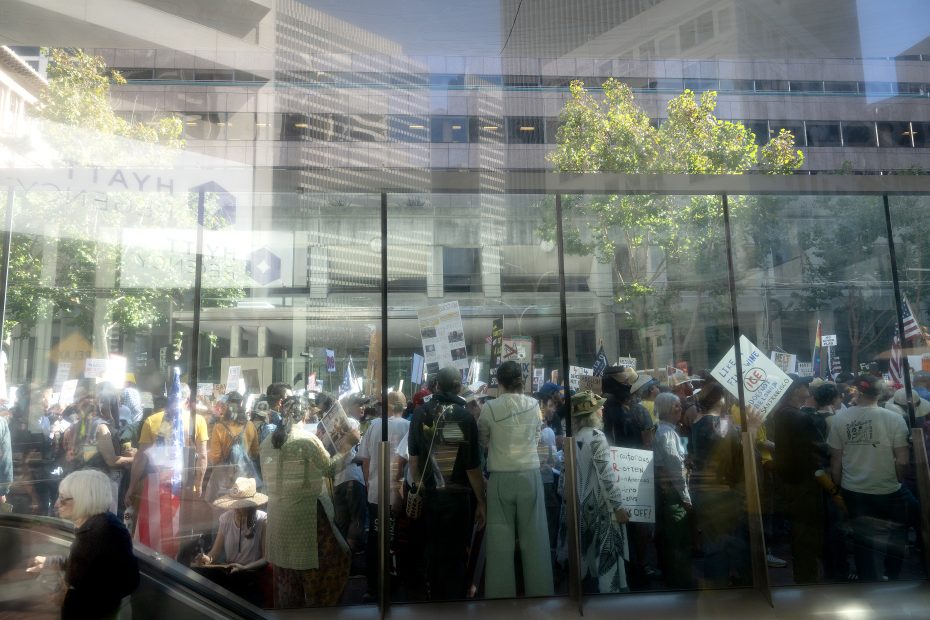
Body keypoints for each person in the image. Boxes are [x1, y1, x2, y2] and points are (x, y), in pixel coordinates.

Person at [260, 391, 358, 608]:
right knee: (330, 564)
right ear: (305, 416)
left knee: (287, 577)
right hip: (307, 517)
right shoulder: (306, 439)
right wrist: (347, 444)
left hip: (277, 517)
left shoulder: (267, 441)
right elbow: (331, 468)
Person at [408, 366, 486, 600]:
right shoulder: (464, 416)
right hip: (457, 497)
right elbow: (472, 468)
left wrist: (420, 488)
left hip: (430, 495)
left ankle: (435, 598)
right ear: (459, 387)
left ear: (437, 386)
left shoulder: (420, 413)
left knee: (432, 550)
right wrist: (481, 502)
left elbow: (414, 460)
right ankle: (453, 603)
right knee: (454, 554)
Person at [477, 360, 553, 598]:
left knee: (500, 540)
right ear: (521, 380)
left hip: (500, 476)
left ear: (498, 381)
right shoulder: (533, 405)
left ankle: (500, 597)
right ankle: (540, 592)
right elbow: (538, 436)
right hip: (530, 475)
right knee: (536, 535)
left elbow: (482, 438)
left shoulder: (489, 408)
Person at [828, 374, 911, 581]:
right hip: (889, 489)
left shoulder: (840, 418)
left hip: (854, 490)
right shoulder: (895, 418)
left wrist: (838, 486)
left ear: (857, 392)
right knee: (896, 534)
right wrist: (897, 480)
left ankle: (868, 582)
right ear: (879, 393)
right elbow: (902, 460)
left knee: (864, 540)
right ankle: (892, 575)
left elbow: (836, 460)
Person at [29, 469, 139, 619]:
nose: (56, 504)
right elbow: (86, 565)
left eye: (62, 499)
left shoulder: (95, 534)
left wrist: (60, 594)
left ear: (83, 499)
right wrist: (52, 562)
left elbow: (79, 586)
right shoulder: (103, 525)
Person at [125, 369, 209, 559]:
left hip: (156, 484)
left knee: (153, 536)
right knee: (181, 533)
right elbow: (202, 457)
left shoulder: (152, 420)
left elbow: (141, 457)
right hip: (184, 485)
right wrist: (199, 484)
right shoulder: (199, 421)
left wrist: (131, 486)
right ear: (187, 401)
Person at [570, 390, 630, 593]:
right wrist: (618, 506)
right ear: (591, 414)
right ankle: (609, 601)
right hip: (601, 506)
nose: (602, 410)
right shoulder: (596, 437)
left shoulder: (574, 437)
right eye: (599, 408)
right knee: (606, 558)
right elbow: (607, 476)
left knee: (586, 555)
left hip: (580, 504)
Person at [769, 374, 823, 583]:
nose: (807, 388)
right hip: (804, 483)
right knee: (806, 534)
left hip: (791, 481)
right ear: (793, 391)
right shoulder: (798, 417)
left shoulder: (783, 413)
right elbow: (817, 450)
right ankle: (806, 578)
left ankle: (804, 575)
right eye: (803, 385)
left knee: (801, 533)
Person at [358, 390, 410, 601]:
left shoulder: (373, 426)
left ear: (386, 407)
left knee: (375, 539)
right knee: (395, 539)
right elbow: (405, 461)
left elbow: (365, 459)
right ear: (403, 407)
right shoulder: (408, 426)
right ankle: (394, 585)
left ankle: (373, 586)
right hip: (397, 493)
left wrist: (369, 482)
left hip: (375, 493)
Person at [193, 477, 268, 606]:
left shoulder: (262, 520)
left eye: (241, 506)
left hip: (252, 579)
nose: (236, 509)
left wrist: (245, 568)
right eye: (235, 505)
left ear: (250, 506)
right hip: (230, 577)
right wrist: (206, 558)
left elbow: (266, 558)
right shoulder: (226, 519)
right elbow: (214, 553)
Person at [652, 392, 693, 588]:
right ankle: (679, 580)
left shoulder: (665, 430)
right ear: (667, 408)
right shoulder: (667, 433)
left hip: (669, 493)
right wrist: (686, 497)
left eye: (679, 405)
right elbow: (675, 469)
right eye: (676, 406)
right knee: (677, 539)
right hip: (673, 495)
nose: (680, 409)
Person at [206, 391, 259, 503]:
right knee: (244, 508)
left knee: (223, 508)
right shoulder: (250, 425)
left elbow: (215, 457)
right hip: (245, 478)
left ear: (227, 407)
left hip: (225, 480)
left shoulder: (219, 427)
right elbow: (255, 452)